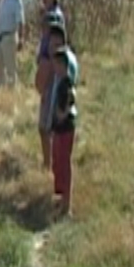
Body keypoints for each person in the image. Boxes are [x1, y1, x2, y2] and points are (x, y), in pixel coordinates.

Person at [36, 0, 66, 170]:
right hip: (48, 82)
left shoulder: (54, 25)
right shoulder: (50, 33)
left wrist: (43, 87)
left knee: (46, 127)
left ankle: (50, 164)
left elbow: (49, 61)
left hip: (50, 83)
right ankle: (49, 162)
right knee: (46, 127)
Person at [50, 46, 77, 219]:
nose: (54, 67)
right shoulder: (58, 82)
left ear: (63, 65)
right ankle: (61, 198)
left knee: (64, 164)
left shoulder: (66, 83)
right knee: (57, 162)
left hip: (65, 129)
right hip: (58, 128)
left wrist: (62, 114)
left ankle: (67, 205)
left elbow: (71, 99)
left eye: (57, 64)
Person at [0, 0, 25, 87]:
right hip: (0, 36)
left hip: (9, 36)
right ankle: (2, 89)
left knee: (11, 68)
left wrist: (21, 38)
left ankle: (13, 92)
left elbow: (21, 20)